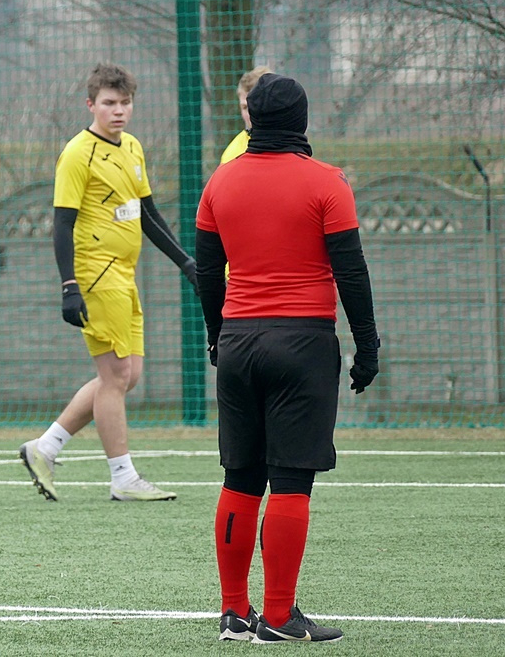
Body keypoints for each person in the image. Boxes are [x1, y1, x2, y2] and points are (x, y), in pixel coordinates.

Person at [195, 73, 379, 643]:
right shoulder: (327, 182)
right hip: (302, 343)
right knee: (291, 481)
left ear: (252, 117)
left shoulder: (220, 182)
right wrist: (367, 345)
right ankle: (278, 617)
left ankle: (233, 613)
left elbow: (208, 271)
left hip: (239, 340)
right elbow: (351, 271)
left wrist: (216, 336)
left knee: (240, 477)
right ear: (301, 120)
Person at [19, 63, 198, 502]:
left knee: (126, 375)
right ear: (91, 104)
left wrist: (186, 263)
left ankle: (45, 448)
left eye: (125, 102)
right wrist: (68, 286)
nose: (118, 111)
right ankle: (123, 477)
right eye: (109, 103)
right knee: (116, 375)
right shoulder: (77, 154)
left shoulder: (132, 147)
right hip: (95, 274)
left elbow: (148, 215)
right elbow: (62, 224)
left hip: (124, 273)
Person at [219, 66, 273, 165]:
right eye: (245, 107)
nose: (250, 114)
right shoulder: (233, 155)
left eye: (255, 105)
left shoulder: (295, 143)